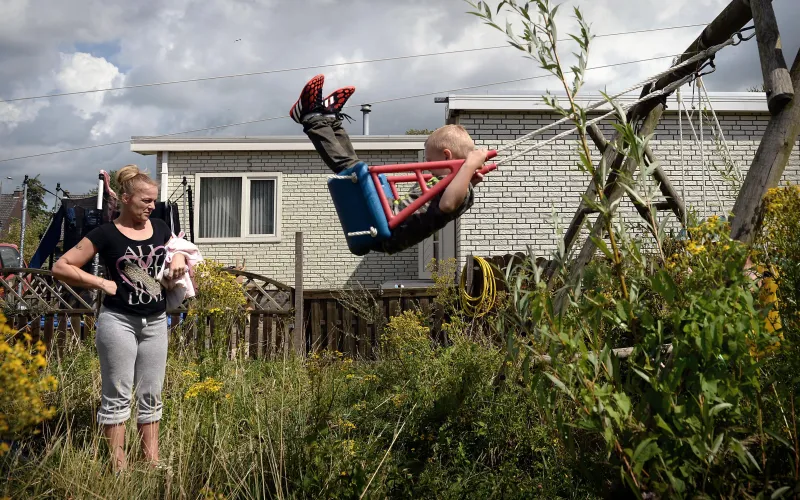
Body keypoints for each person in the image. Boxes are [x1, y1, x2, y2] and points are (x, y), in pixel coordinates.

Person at [53, 165, 186, 472]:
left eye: (154, 201)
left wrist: (178, 257)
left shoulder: (161, 227)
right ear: (126, 199)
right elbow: (62, 267)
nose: (152, 206)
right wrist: (101, 283)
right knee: (117, 398)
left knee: (151, 396)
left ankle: (151, 465)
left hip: (155, 323)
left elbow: (179, 247)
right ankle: (118, 469)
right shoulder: (105, 233)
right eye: (145, 201)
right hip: (119, 323)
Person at [290, 74, 489, 254]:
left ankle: (311, 119)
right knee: (358, 168)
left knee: (351, 170)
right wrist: (469, 175)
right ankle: (330, 121)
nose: (427, 166)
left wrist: (469, 167)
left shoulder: (458, 191)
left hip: (390, 231)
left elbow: (447, 204)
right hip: (387, 215)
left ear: (447, 157)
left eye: (429, 160)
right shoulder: (454, 182)